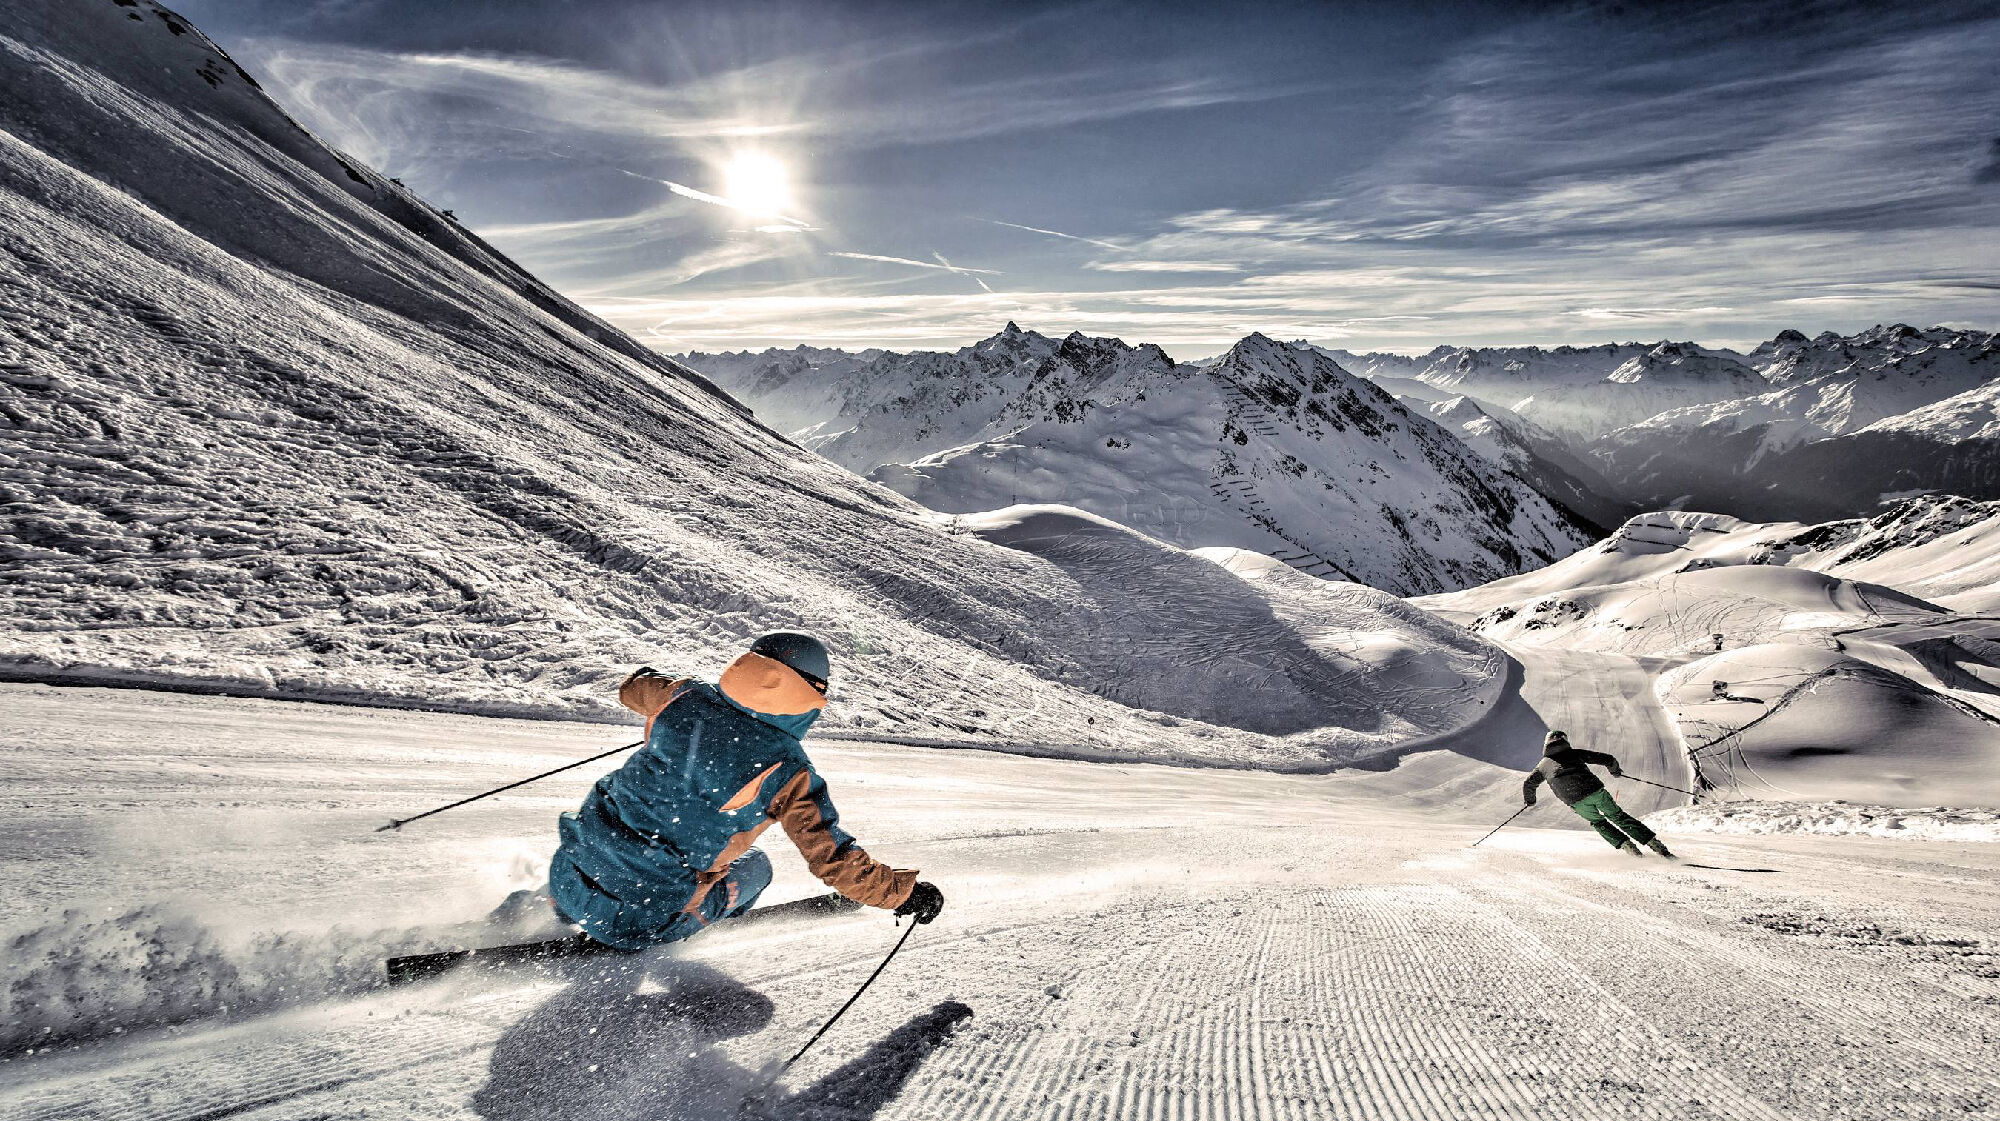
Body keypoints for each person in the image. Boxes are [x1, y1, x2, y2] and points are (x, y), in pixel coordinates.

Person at [537, 632, 944, 949]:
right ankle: (686, 918)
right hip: (638, 922)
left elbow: (634, 687)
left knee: (636, 837)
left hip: (564, 874)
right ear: (809, 693)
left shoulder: (683, 698)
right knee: (757, 864)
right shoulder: (787, 770)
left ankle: (574, 899)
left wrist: (680, 702)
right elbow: (833, 859)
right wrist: (902, 895)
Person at [1522, 730, 1675, 858]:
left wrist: (1530, 801)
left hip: (1576, 802)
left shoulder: (1542, 766)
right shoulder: (1574, 753)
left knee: (1599, 823)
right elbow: (1607, 759)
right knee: (1618, 816)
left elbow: (1529, 784)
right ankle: (1658, 847)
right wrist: (1614, 771)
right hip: (1594, 791)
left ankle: (1630, 849)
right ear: (1565, 741)